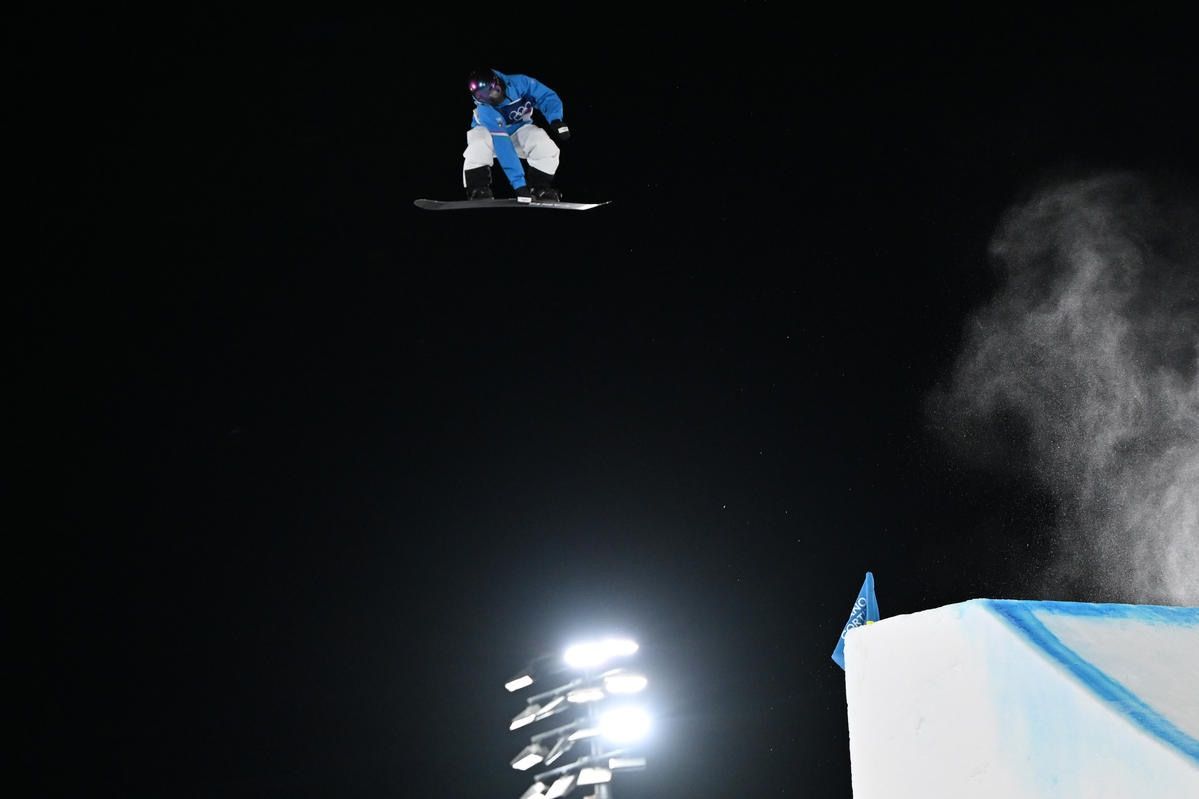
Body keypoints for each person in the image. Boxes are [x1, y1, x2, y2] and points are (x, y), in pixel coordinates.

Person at [463, 68, 571, 202]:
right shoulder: (485, 109)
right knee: (479, 142)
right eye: (482, 96)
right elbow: (503, 146)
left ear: (497, 83)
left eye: (490, 92)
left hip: (519, 130)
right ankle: (477, 189)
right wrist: (519, 185)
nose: (489, 98)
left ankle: (540, 187)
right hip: (491, 135)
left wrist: (555, 119)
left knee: (542, 143)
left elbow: (545, 96)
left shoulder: (520, 83)